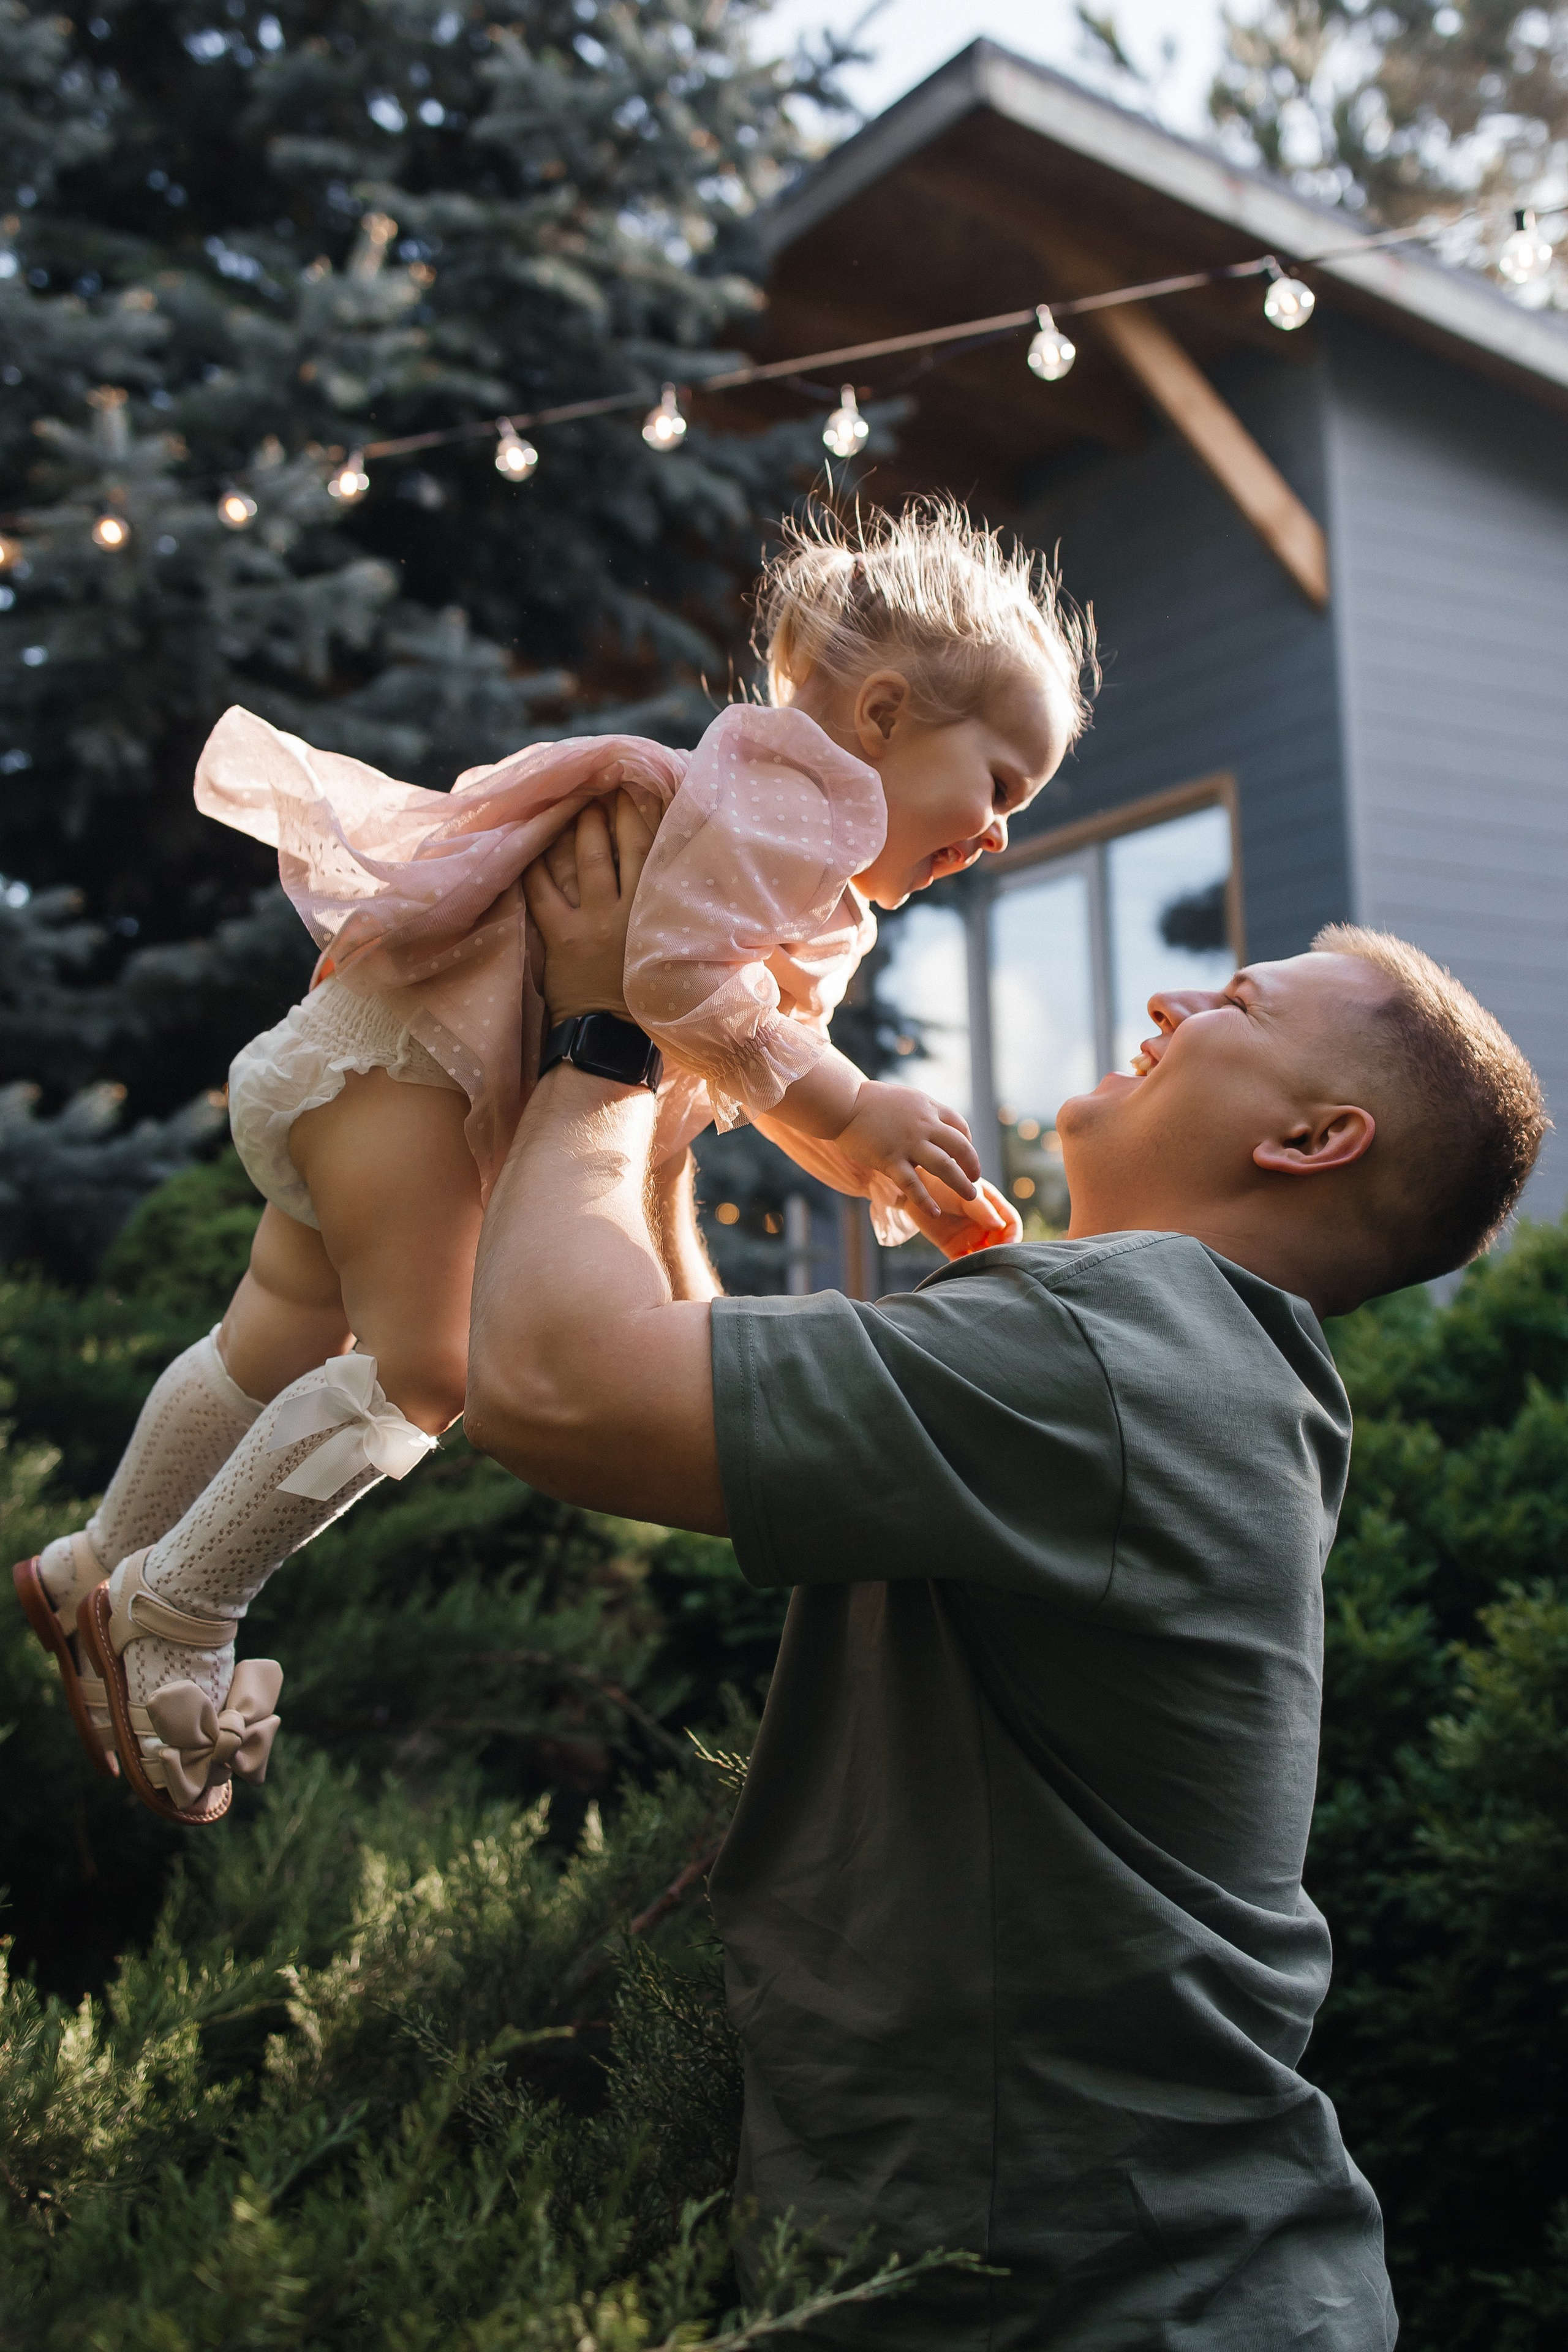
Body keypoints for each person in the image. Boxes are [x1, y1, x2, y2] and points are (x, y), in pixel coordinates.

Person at [464, 790, 1547, 2349]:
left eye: (1235, 1002)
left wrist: (609, 1029)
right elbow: (657, 1395)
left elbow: (556, 1388)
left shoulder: (1119, 1350)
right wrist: (700, 1085)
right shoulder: (1178, 1362)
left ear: (1310, 1140)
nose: (1173, 998)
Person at [12, 499, 1092, 1826]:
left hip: (366, 1062)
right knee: (426, 1372)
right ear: (877, 718)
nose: (996, 836)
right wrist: (856, 1103)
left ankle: (96, 1562)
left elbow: (729, 1052)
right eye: (998, 785)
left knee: (278, 1328)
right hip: (414, 1077)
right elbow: (677, 982)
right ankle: (176, 1612)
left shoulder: (786, 848)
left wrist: (862, 1156)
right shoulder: (777, 813)